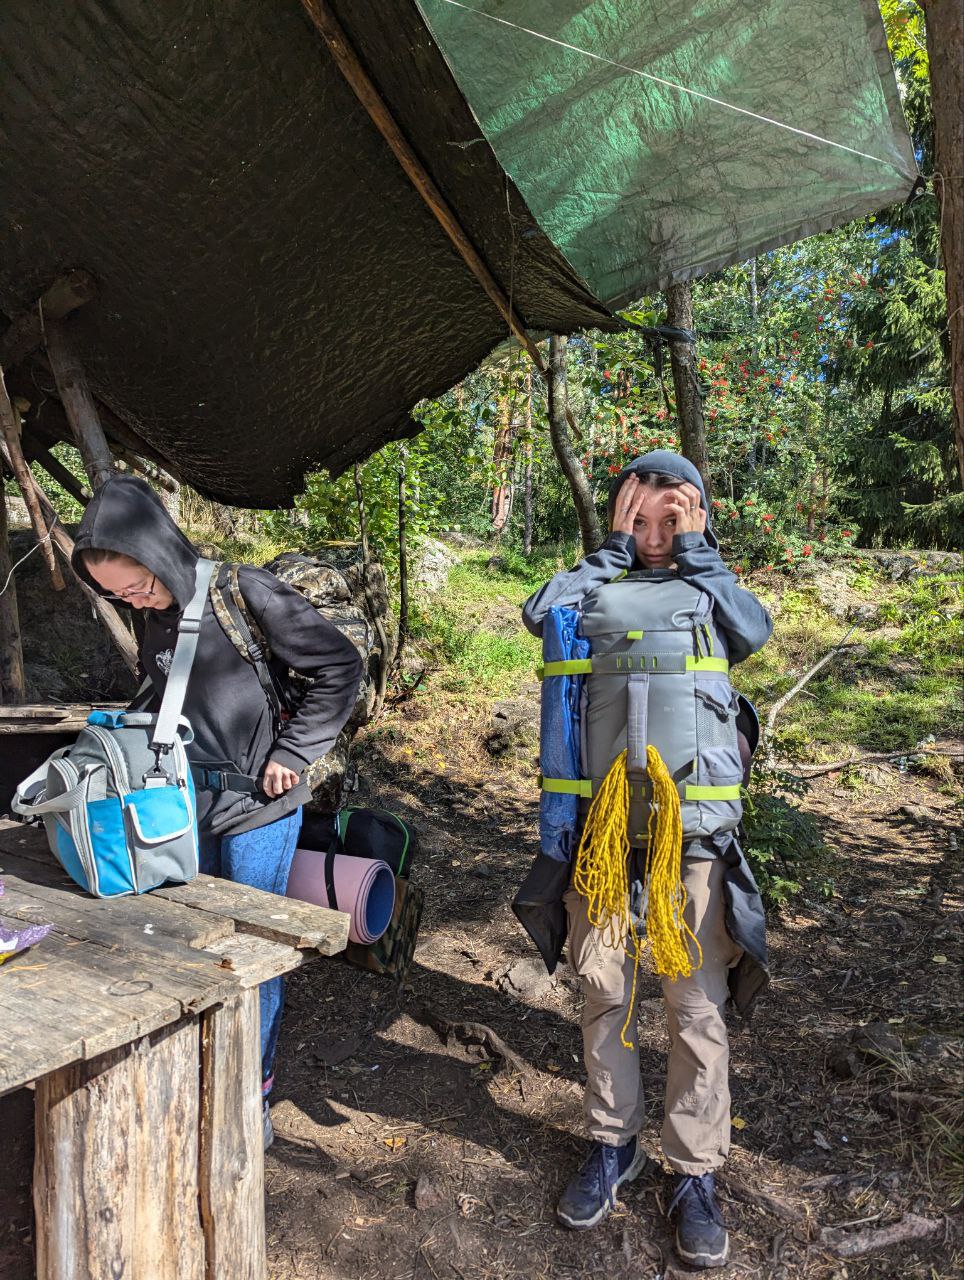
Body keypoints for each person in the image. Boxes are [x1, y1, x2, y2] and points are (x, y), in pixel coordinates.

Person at [515, 451, 772, 1270]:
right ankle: (611, 1142)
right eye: (643, 518)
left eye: (672, 518)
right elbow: (535, 611)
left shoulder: (710, 590)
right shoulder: (593, 585)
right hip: (602, 832)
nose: (657, 535)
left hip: (690, 835)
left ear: (695, 516)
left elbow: (752, 631)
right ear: (623, 515)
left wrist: (699, 552)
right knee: (603, 988)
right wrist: (610, 549)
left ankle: (694, 1169)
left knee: (695, 1003)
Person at [72, 475, 363, 1147]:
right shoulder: (151, 612)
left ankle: (248, 1101)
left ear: (160, 553)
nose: (133, 601)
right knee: (192, 948)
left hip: (260, 807)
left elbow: (338, 667)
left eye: (138, 585)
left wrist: (296, 748)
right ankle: (201, 1079)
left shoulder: (243, 591)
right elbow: (168, 697)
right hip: (183, 808)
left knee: (251, 958)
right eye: (117, 595)